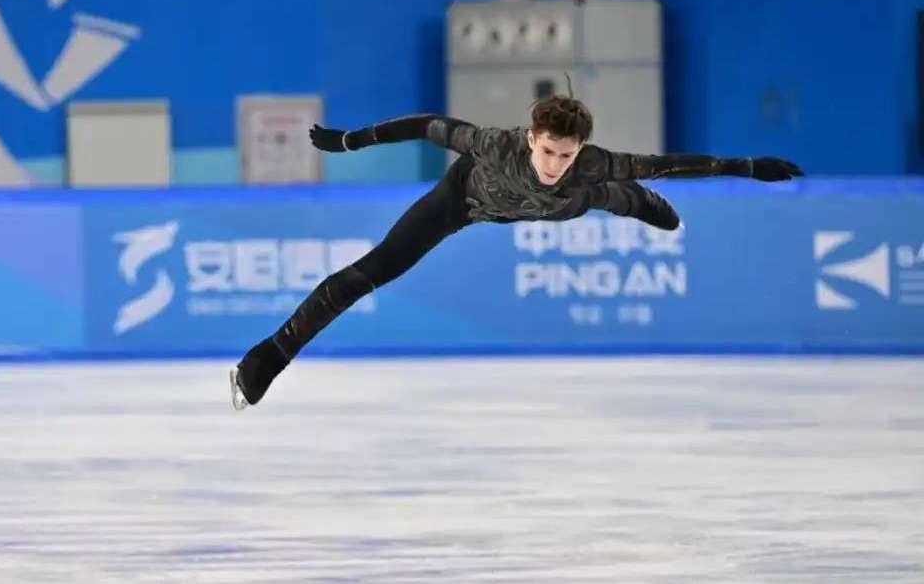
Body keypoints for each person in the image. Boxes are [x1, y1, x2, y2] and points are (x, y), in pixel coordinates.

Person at [229, 95, 802, 410]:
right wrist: (352, 140)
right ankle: (267, 358)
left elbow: (670, 162)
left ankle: (628, 202)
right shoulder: (494, 146)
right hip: (466, 201)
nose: (556, 162)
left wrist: (747, 168)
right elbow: (428, 125)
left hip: (556, 207)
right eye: (550, 151)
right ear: (532, 138)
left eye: (567, 154)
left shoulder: (587, 165)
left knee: (595, 196)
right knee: (369, 272)